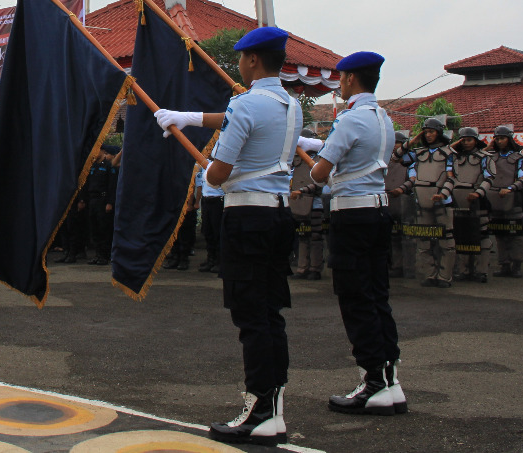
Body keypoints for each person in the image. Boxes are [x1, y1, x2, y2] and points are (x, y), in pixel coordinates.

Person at [154, 25, 300, 445]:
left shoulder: (246, 104)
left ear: (253, 60)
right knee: (270, 313)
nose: (239, 63)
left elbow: (218, 172)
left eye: (241, 57)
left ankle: (259, 409)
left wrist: (201, 159)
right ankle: (273, 407)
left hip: (247, 218)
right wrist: (189, 117)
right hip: (277, 215)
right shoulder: (289, 105)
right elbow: (239, 118)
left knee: (250, 315)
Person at [307, 51, 403, 417]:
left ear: (349, 79)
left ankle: (373, 382)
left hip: (353, 213)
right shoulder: (383, 117)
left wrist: (315, 161)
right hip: (377, 209)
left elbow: (319, 173)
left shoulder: (348, 120)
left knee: (355, 297)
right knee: (377, 295)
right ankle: (389, 380)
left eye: (341, 77)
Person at [393, 118, 455, 287]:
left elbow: (451, 178)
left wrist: (442, 194)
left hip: (442, 202)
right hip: (421, 201)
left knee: (446, 241)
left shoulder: (448, 153)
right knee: (424, 240)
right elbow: (396, 157)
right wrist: (411, 141)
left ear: (439, 133)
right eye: (425, 132)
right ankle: (430, 274)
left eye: (431, 132)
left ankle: (444, 276)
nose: (428, 135)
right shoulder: (419, 152)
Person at [483, 126, 523, 278]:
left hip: (512, 199)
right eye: (496, 138)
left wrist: (510, 188)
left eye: (502, 138)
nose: (499, 141)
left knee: (515, 235)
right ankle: (504, 264)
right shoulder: (490, 157)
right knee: (500, 235)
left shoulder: (519, 158)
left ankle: (516, 265)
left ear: (509, 139)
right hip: (494, 199)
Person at [449, 128, 490, 283]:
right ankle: (464, 269)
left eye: (469, 140)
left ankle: (481, 270)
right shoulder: (454, 158)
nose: (466, 143)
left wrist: (478, 192)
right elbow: (447, 151)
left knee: (482, 235)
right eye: (463, 140)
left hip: (478, 200)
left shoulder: (485, 157)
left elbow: (489, 177)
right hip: (457, 200)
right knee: (461, 236)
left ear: (476, 140)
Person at [289, 132, 326, 281]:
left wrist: (302, 191)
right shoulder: (297, 162)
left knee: (315, 238)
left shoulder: (318, 161)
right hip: (299, 204)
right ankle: (302, 267)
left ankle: (315, 268)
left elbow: (318, 183)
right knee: (303, 237)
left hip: (314, 204)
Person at [385, 131, 415, 278]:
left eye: (397, 143)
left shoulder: (410, 160)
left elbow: (414, 179)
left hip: (404, 201)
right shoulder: (386, 159)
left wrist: (401, 189)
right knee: (392, 237)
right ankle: (395, 265)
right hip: (388, 200)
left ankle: (408, 266)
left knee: (406, 238)